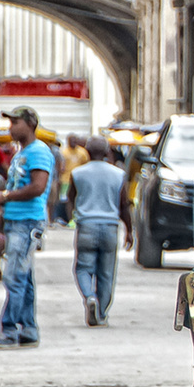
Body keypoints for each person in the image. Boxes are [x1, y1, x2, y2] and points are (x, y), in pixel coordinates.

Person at [0, 106, 53, 349]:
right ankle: (28, 328)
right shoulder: (21, 153)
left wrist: (5, 196)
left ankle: (9, 328)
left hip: (27, 221)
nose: (10, 128)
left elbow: (37, 187)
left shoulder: (38, 152)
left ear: (30, 123)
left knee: (14, 276)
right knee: (24, 277)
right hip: (17, 220)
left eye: (15, 123)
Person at [69, 136, 132, 326]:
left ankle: (89, 296)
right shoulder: (118, 174)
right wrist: (129, 230)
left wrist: (77, 214)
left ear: (86, 152)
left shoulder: (77, 173)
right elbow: (124, 205)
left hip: (86, 225)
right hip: (110, 227)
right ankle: (102, 313)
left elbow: (70, 197)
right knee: (106, 273)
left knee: (82, 268)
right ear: (107, 153)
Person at [57, 134, 89, 225]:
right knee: (68, 200)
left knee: (79, 199)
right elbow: (60, 166)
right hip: (66, 180)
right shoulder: (63, 152)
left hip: (79, 180)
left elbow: (86, 164)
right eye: (71, 141)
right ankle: (70, 219)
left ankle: (78, 218)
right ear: (67, 141)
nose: (73, 143)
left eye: (75, 141)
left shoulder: (82, 152)